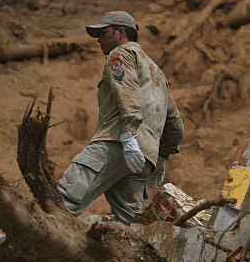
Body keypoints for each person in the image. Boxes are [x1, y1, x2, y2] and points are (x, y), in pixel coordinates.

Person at [57, 11, 184, 224]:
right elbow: (175, 124)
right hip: (142, 160)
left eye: (104, 33)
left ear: (121, 33)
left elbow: (128, 94)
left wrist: (128, 135)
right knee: (132, 225)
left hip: (116, 144)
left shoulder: (120, 55)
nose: (99, 39)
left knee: (61, 201)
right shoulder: (157, 72)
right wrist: (161, 156)